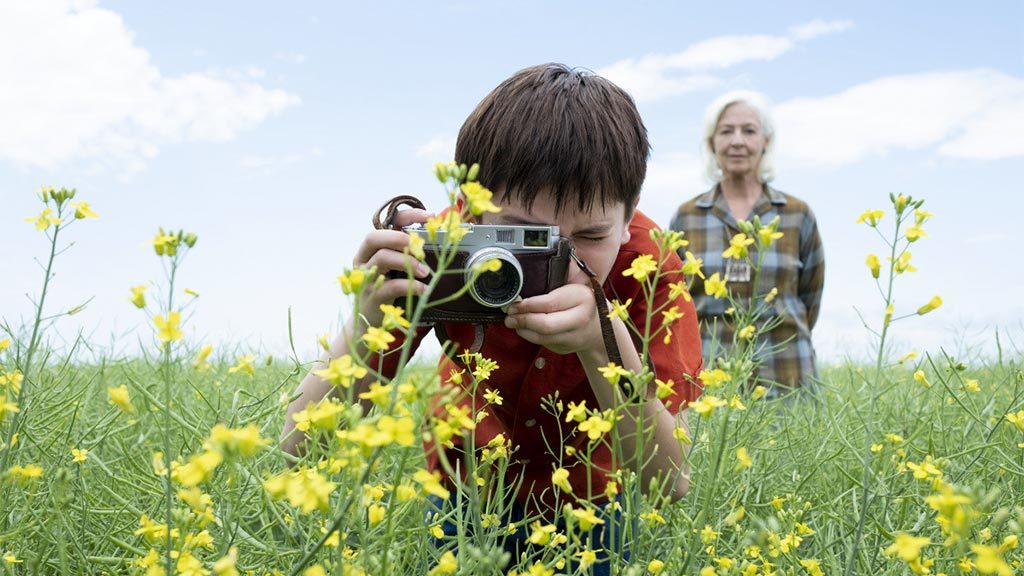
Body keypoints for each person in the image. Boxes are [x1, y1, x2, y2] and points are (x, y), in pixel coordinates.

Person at [281, 63, 704, 573]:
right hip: (467, 493)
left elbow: (669, 483)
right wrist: (368, 317)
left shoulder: (652, 265)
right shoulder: (439, 250)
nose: (560, 264)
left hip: (594, 501)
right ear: (469, 209)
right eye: (522, 238)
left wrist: (603, 345)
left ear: (631, 207)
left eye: (590, 238)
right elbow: (299, 446)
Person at [669, 91, 824, 395]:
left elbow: (810, 299)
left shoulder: (796, 214)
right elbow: (674, 297)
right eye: (726, 131)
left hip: (787, 376)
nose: (737, 141)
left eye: (749, 131)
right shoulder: (687, 217)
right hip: (709, 379)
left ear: (766, 141)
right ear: (712, 143)